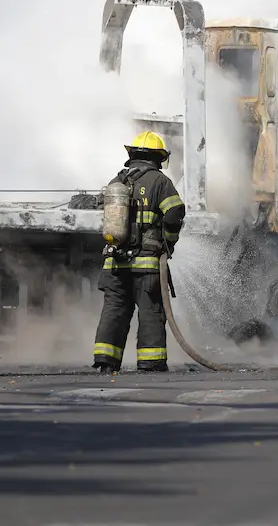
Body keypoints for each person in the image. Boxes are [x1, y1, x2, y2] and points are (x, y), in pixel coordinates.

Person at [92, 131, 185, 373]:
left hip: (115, 263)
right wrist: (168, 242)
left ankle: (105, 360)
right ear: (159, 157)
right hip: (146, 266)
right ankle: (151, 362)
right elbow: (175, 212)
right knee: (151, 312)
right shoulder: (159, 182)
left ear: (132, 155)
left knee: (114, 310)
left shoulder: (117, 182)